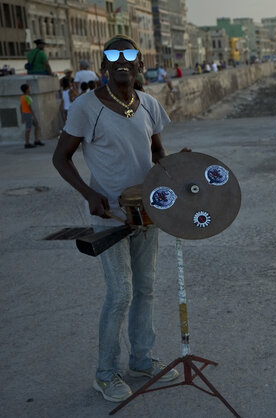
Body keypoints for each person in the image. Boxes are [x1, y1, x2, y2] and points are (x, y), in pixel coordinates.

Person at [52, 35, 182, 403]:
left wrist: (176, 166)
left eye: (130, 55)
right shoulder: (85, 107)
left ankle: (142, 360)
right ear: (103, 66)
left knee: (146, 289)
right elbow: (61, 157)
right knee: (120, 293)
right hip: (110, 215)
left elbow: (158, 152)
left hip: (148, 212)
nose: (121, 60)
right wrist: (89, 193)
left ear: (141, 65)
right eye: (113, 55)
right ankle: (105, 373)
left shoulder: (150, 104)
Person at [20, 84, 44, 148]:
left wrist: (22, 116)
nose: (30, 89)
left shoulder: (22, 97)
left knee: (37, 126)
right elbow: (30, 108)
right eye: (29, 88)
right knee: (28, 129)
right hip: (28, 114)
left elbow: (21, 107)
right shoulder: (27, 97)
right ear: (27, 89)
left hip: (25, 114)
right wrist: (35, 117)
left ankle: (36, 140)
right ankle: (27, 143)